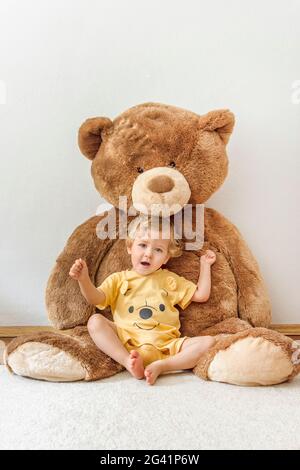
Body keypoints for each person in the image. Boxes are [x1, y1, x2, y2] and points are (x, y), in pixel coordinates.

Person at [69, 215, 217, 385]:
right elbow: (95, 298)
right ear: (130, 247)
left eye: (158, 250)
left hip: (167, 346)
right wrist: (83, 279)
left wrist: (205, 266)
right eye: (143, 245)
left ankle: (163, 366)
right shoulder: (119, 279)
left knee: (208, 342)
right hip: (127, 342)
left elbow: (201, 295)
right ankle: (127, 362)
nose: (148, 254)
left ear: (166, 257)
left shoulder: (169, 280)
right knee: (95, 322)